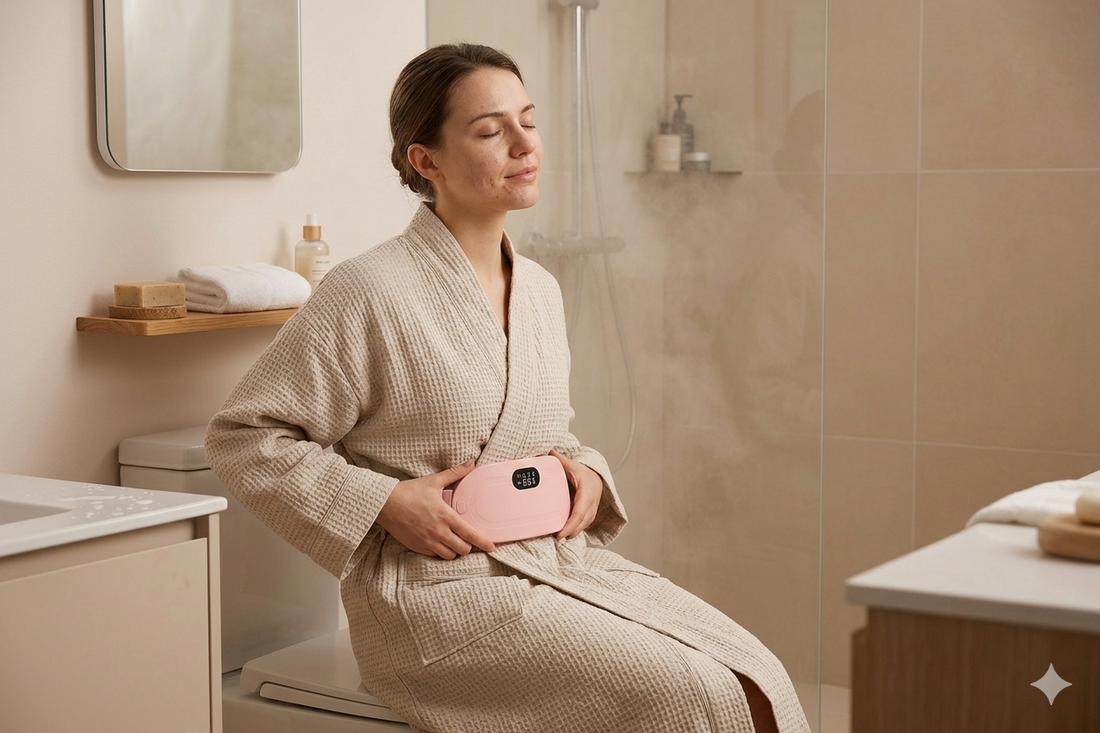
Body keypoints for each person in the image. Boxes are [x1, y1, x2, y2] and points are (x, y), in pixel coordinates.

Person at [205, 43, 808, 733]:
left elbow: (547, 433)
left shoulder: (540, 290)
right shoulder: (368, 290)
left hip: (553, 561)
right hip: (434, 596)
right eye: (491, 130)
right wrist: (385, 502)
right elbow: (242, 436)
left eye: (529, 120)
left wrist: (586, 471)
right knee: (689, 691)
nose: (525, 144)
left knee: (755, 674)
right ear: (426, 161)